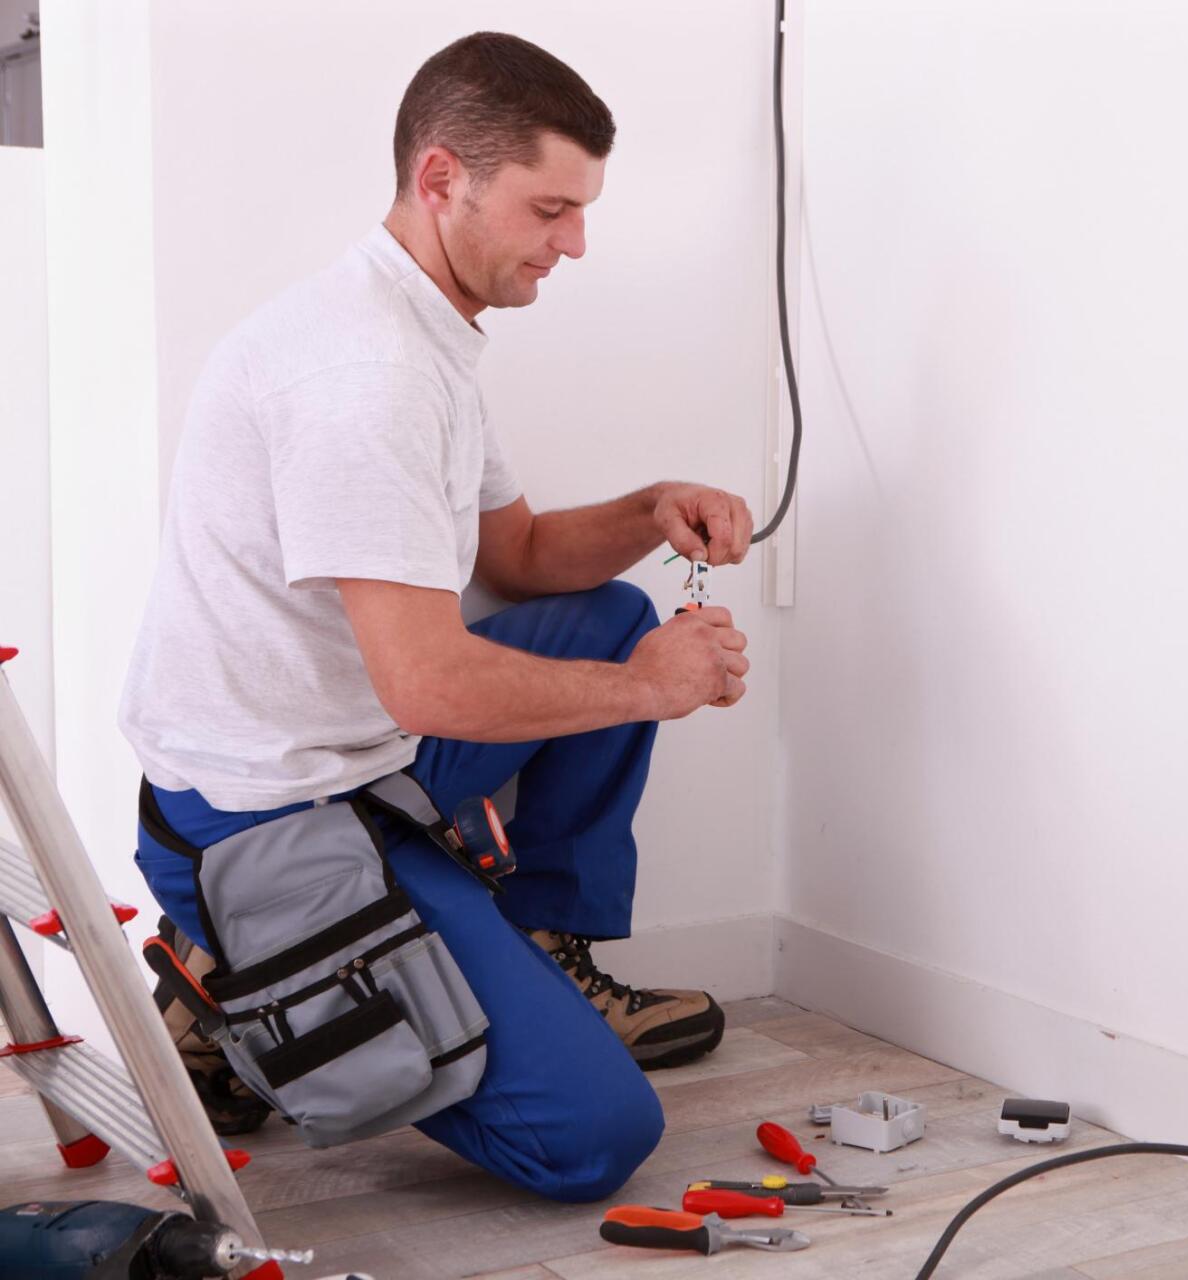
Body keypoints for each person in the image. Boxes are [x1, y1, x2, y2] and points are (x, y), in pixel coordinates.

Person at [118, 31, 753, 1201]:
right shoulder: (365, 378)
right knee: (594, 1137)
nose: (574, 243)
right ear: (443, 178)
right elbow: (428, 682)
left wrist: (650, 506)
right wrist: (658, 686)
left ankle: (540, 951)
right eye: (551, 209)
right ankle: (247, 987)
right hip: (261, 817)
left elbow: (513, 557)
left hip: (363, 754)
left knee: (608, 610)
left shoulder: (425, 331)